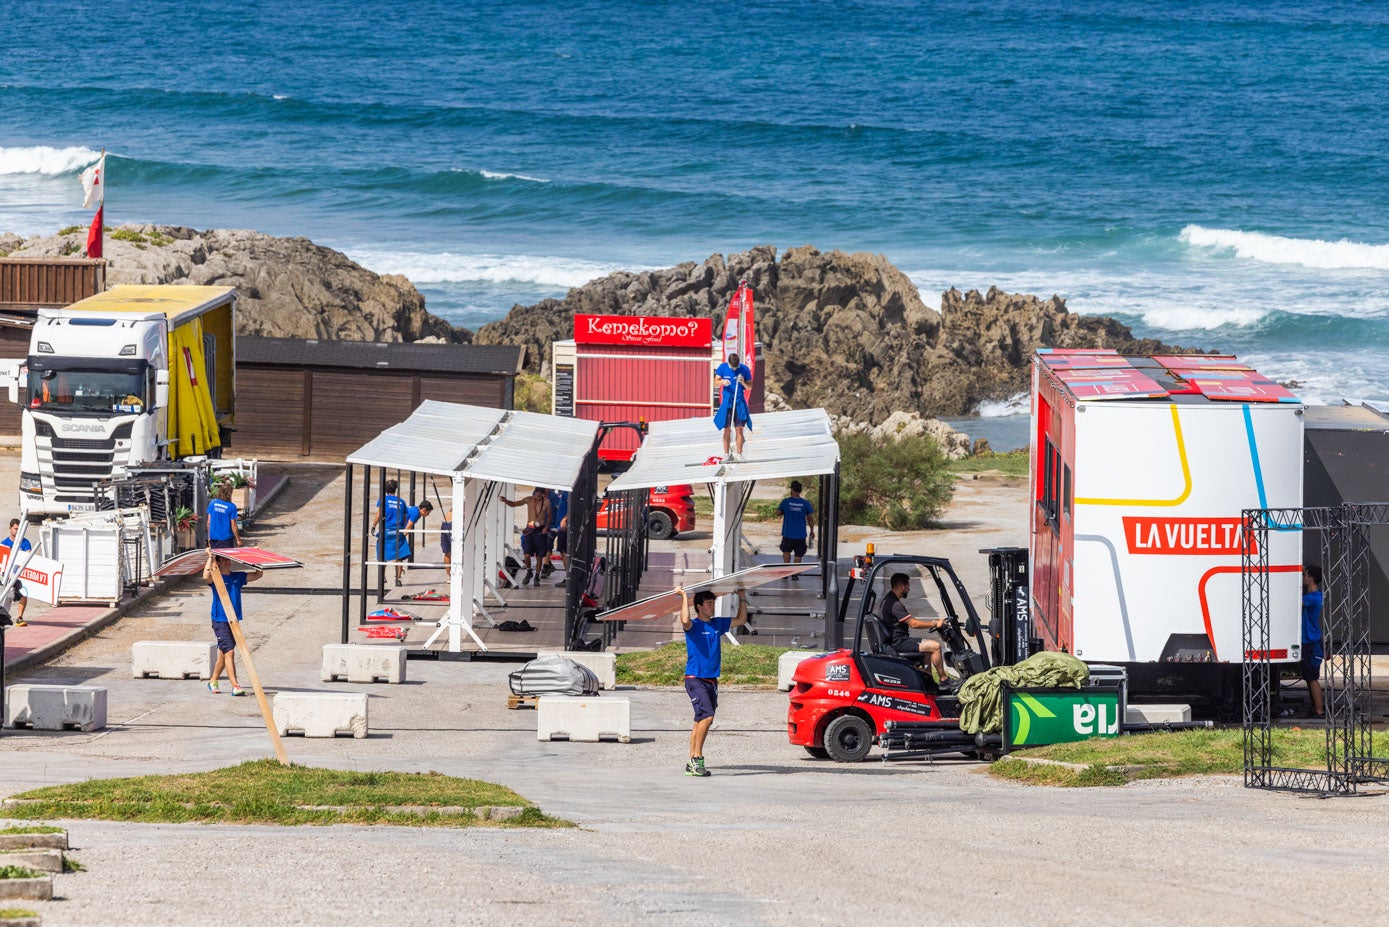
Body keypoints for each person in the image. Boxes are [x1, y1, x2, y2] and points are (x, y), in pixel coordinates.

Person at [676, 585, 750, 777]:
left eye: (713, 603)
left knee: (700, 719)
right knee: (707, 717)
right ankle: (696, 760)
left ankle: (691, 760)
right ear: (699, 606)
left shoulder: (717, 624)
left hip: (711, 679)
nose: (712, 607)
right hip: (695, 677)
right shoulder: (693, 625)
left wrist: (741, 597)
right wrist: (684, 596)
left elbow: (741, 619)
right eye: (709, 604)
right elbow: (684, 619)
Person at [877, 572, 955, 689]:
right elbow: (914, 623)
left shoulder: (888, 600)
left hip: (896, 641)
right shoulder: (895, 604)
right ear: (902, 586)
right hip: (898, 643)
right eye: (908, 586)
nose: (909, 589)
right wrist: (935, 623)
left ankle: (929, 683)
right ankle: (944, 680)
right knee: (935, 646)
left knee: (928, 650)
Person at [202, 552, 263, 696]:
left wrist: (256, 556)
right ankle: (235, 686)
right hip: (220, 620)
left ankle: (213, 681)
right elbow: (205, 576)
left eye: (228, 560)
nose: (226, 562)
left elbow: (257, 575)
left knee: (224, 653)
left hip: (233, 620)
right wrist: (210, 557)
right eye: (223, 560)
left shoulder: (237, 577)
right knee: (230, 652)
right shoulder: (216, 578)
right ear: (217, 562)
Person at [500, 488, 551, 585]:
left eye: (541, 493)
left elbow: (549, 516)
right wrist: (505, 500)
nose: (538, 495)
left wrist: (546, 527)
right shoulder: (529, 499)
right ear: (534, 493)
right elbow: (515, 504)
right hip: (529, 529)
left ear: (544, 494)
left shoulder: (547, 502)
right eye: (537, 493)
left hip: (540, 530)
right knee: (526, 554)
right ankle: (529, 571)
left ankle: (537, 576)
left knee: (539, 555)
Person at [370, 479, 412, 587]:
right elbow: (403, 517)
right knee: (398, 556)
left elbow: (379, 514)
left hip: (386, 531)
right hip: (397, 531)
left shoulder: (383, 500)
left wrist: (373, 526)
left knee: (382, 553)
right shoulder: (401, 501)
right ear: (396, 489)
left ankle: (382, 576)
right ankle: (397, 579)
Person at [713, 353, 753, 460]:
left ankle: (739, 454)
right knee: (727, 429)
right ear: (729, 363)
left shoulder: (744, 369)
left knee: (739, 429)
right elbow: (715, 382)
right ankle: (726, 454)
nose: (734, 369)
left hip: (739, 401)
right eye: (732, 367)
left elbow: (749, 387)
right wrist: (722, 381)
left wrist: (743, 383)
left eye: (736, 367)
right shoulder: (723, 367)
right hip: (727, 401)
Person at [1301, 564, 1325, 720]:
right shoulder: (1317, 596)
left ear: (1310, 578)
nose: (1302, 579)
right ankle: (1315, 709)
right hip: (1311, 640)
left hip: (1311, 641)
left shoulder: (1311, 598)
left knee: (1312, 678)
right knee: (1309, 677)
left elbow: (1295, 602)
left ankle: (1319, 711)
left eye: (1304, 575)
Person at [777, 480, 815, 576]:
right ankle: (794, 574)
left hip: (787, 533)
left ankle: (785, 573)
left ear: (792, 490)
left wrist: (784, 511)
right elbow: (810, 518)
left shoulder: (785, 502)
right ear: (800, 491)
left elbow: (777, 513)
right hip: (800, 534)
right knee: (798, 555)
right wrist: (812, 531)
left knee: (786, 553)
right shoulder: (805, 503)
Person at [1, 519, 32, 627]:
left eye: (19, 530)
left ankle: (19, 617)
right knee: (6, 597)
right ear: (10, 528)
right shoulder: (4, 543)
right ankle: (3, 616)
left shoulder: (25, 542)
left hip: (21, 573)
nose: (17, 531)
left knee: (24, 594)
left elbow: (29, 555)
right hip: (7, 575)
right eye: (15, 529)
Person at [206, 481, 241, 549]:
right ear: (229, 493)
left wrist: (209, 536)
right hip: (226, 539)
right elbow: (233, 524)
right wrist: (238, 539)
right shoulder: (231, 507)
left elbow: (209, 522)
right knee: (225, 559)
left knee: (216, 558)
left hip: (214, 537)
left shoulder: (212, 503)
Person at [545, 489, 569, 581]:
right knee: (562, 551)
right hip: (560, 525)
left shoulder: (567, 492)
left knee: (564, 551)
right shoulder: (563, 492)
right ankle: (547, 565)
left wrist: (564, 520)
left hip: (563, 525)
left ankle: (568, 577)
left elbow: (572, 505)